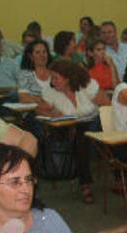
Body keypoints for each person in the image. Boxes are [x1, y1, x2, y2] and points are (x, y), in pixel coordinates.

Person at [46, 59, 105, 203]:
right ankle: (84, 183)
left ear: (67, 78)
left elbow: (106, 107)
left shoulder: (87, 85)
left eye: (56, 78)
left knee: (81, 137)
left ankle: (84, 184)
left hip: (95, 122)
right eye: (51, 77)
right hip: (71, 126)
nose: (52, 81)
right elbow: (39, 108)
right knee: (79, 139)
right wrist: (51, 111)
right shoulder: (51, 92)